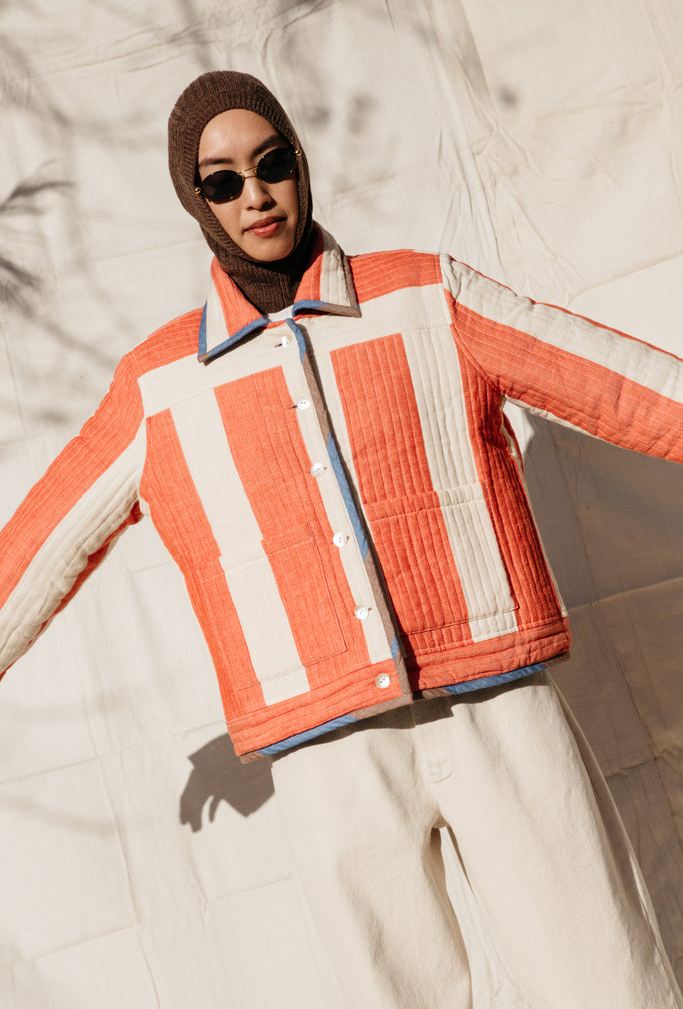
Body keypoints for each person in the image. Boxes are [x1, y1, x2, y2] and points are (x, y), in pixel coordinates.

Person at [0, 70, 681, 1008]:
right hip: (327, 755)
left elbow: (616, 384)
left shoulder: (426, 295)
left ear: (299, 162)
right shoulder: (158, 386)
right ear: (194, 200)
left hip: (498, 708)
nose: (255, 195)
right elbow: (38, 546)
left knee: (603, 977)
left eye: (271, 163)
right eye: (222, 181)